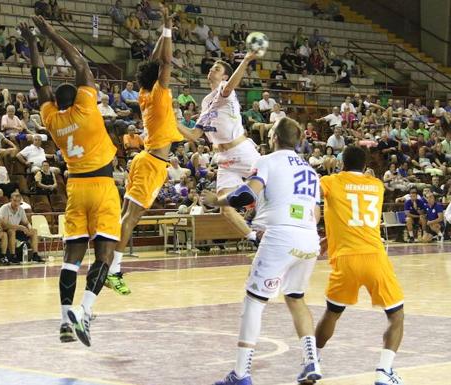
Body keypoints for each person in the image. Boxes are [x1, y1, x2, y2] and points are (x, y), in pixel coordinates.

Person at [203, 118, 322, 385]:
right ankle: (311, 360)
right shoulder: (311, 171)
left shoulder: (268, 161)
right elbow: (316, 213)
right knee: (296, 297)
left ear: (274, 139)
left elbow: (246, 195)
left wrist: (217, 200)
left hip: (281, 236)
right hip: (309, 239)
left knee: (254, 302)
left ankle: (241, 374)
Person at [26, 16, 121, 346]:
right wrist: (51, 32)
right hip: (102, 186)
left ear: (56, 102)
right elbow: (79, 62)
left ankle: (65, 320)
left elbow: (40, 82)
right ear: (80, 96)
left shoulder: (50, 119)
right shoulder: (86, 107)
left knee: (71, 259)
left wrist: (33, 44)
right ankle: (85, 311)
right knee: (105, 256)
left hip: (76, 188)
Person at [105, 7, 183, 296]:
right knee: (131, 218)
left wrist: (164, 28)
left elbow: (154, 61)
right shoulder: (159, 94)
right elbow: (163, 60)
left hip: (144, 160)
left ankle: (106, 263)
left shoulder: (145, 93)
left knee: (126, 215)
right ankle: (113, 271)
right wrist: (168, 27)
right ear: (160, 78)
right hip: (152, 163)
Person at [315, 145, 405, 385]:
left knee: (332, 313)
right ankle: (384, 372)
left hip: (345, 259)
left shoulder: (329, 181)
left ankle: (312, 359)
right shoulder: (377, 186)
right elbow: (359, 210)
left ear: (342, 163)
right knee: (396, 316)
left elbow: (315, 197)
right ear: (365, 166)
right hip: (374, 256)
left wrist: (326, 237)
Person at [176, 51, 263, 248]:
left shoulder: (226, 89)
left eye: (217, 68)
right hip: (224, 158)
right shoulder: (206, 102)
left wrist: (246, 60)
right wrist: (172, 121)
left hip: (242, 152)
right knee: (224, 206)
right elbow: (194, 135)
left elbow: (232, 84)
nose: (211, 69)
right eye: (211, 67)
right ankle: (253, 238)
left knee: (270, 187)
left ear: (224, 76)